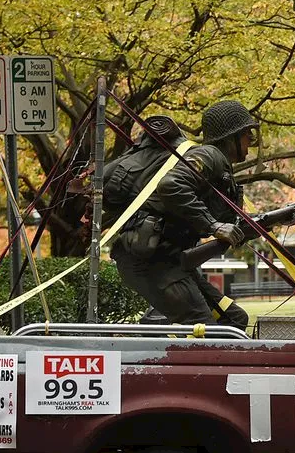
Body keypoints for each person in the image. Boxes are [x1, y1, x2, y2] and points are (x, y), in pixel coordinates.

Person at [109, 100, 263, 330]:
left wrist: (269, 223)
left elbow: (231, 227)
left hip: (172, 263)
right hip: (153, 263)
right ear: (231, 136)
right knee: (203, 330)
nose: (250, 141)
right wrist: (213, 225)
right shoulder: (209, 156)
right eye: (246, 134)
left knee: (233, 320)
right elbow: (171, 185)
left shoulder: (220, 169)